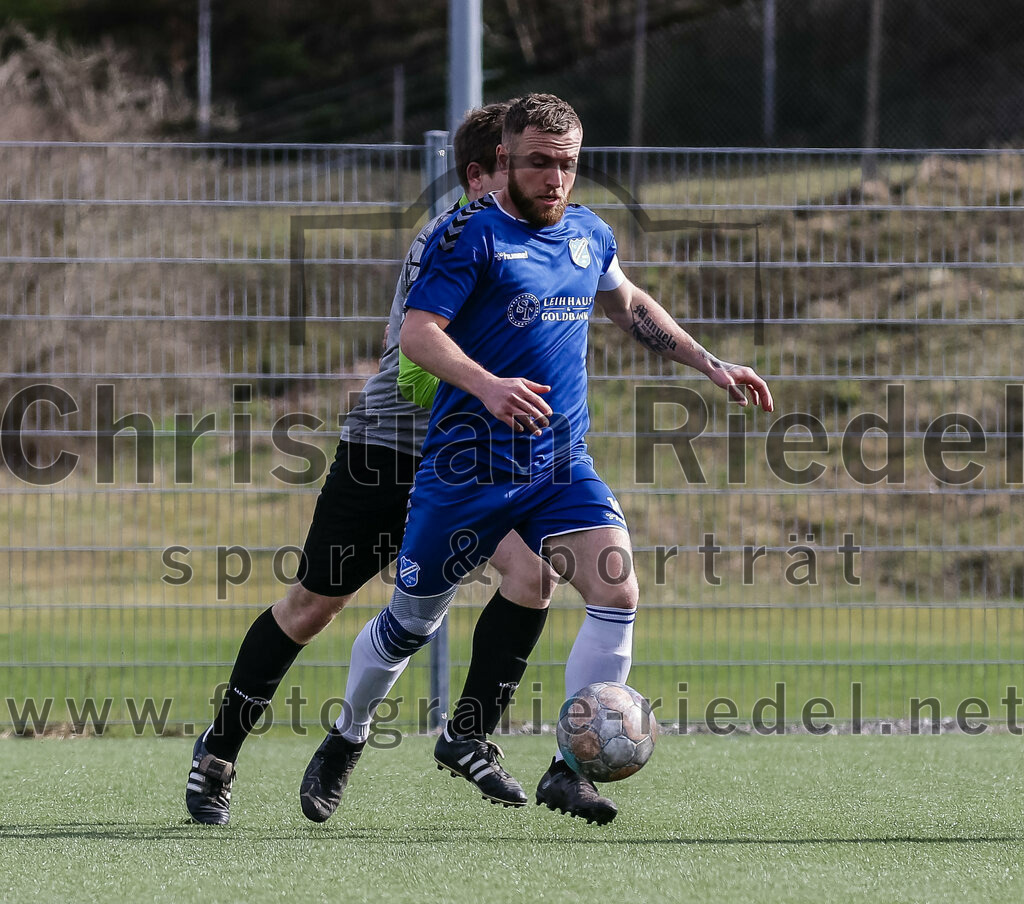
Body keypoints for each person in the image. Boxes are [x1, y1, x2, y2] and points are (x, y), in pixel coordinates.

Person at [299, 93, 774, 826]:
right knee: (410, 624)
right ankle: (348, 734)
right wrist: (487, 387)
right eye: (539, 164)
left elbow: (629, 305)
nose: (555, 179)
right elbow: (419, 337)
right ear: (504, 163)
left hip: (558, 462)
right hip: (463, 468)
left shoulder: (588, 233)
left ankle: (570, 766)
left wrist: (709, 363)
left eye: (568, 165)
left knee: (616, 590)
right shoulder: (468, 235)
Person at [186, 102, 557, 825]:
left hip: (471, 463)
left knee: (532, 572)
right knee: (313, 606)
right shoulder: (450, 237)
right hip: (388, 449)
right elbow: (418, 373)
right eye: (521, 166)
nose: (541, 184)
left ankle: (465, 734)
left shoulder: (542, 244)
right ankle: (218, 752)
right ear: (481, 174)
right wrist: (487, 378)